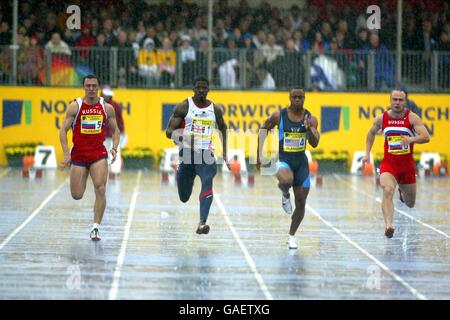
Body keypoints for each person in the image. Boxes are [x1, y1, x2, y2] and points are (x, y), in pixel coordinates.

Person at [257, 88, 320, 249]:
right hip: (283, 160)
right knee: (286, 179)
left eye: (301, 97)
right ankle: (285, 194)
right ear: (290, 98)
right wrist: (259, 155)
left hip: (301, 163)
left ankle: (291, 236)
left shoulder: (310, 119)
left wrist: (307, 130)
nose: (298, 99)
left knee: (301, 203)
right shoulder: (279, 115)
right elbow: (263, 129)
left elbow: (314, 142)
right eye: (295, 97)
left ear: (304, 98)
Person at [165, 76, 230, 234]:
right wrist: (184, 137)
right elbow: (168, 132)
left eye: (204, 88)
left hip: (206, 155)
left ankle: (202, 223)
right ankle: (188, 179)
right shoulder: (183, 107)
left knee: (207, 181)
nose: (201, 91)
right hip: (187, 155)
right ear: (193, 89)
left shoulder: (215, 109)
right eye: (198, 88)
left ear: (208, 90)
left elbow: (223, 128)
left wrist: (226, 153)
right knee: (184, 197)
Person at [59, 74, 120, 241]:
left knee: (100, 188)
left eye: (94, 86)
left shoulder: (107, 108)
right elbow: (63, 130)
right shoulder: (75, 106)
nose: (91, 89)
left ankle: (95, 227)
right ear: (84, 87)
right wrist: (66, 153)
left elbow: (116, 131)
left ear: (98, 87)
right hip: (78, 155)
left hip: (98, 154)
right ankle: (83, 175)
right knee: (77, 195)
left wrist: (114, 148)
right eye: (88, 86)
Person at [363, 89, 430, 238]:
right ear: (390, 100)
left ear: (405, 102)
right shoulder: (382, 118)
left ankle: (402, 192)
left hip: (407, 167)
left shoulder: (412, 118)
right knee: (387, 189)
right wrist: (367, 153)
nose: (397, 103)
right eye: (395, 100)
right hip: (389, 165)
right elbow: (371, 133)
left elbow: (426, 137)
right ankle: (389, 225)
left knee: (410, 203)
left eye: (400, 100)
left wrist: (410, 140)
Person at [102, 85, 126, 173]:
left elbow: (120, 119)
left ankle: (115, 171)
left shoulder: (115, 105)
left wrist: (122, 131)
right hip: (102, 135)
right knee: (102, 153)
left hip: (113, 134)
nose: (107, 96)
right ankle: (101, 170)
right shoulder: (97, 105)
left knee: (116, 152)